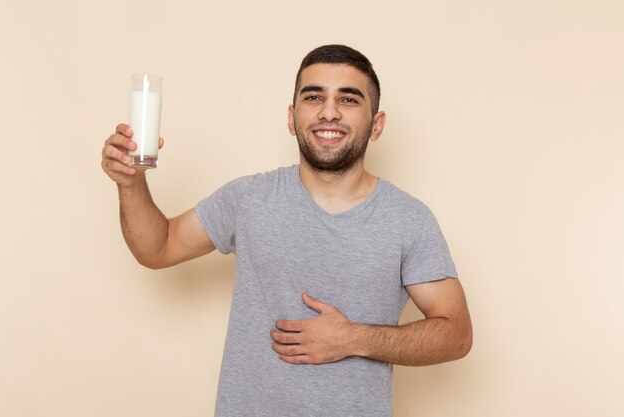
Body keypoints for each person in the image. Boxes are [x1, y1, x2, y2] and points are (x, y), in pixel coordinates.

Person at [101, 44, 472, 417]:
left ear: (376, 125)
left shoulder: (409, 219)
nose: (329, 112)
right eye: (314, 97)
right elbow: (158, 247)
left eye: (348, 99)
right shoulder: (248, 198)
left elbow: (456, 334)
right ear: (292, 118)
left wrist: (351, 338)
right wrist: (130, 184)